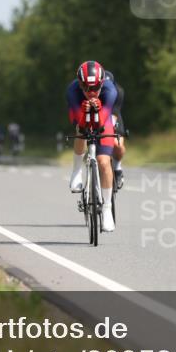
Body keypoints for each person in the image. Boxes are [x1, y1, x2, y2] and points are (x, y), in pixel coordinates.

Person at [66, 61, 125, 233]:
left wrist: (98, 110)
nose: (91, 92)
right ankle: (77, 171)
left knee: (103, 161)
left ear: (101, 83)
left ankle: (107, 209)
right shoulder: (73, 91)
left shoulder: (110, 91)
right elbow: (81, 123)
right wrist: (84, 112)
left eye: (95, 87)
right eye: (86, 87)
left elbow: (102, 123)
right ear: (80, 84)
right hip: (80, 111)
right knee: (80, 130)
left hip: (104, 113)